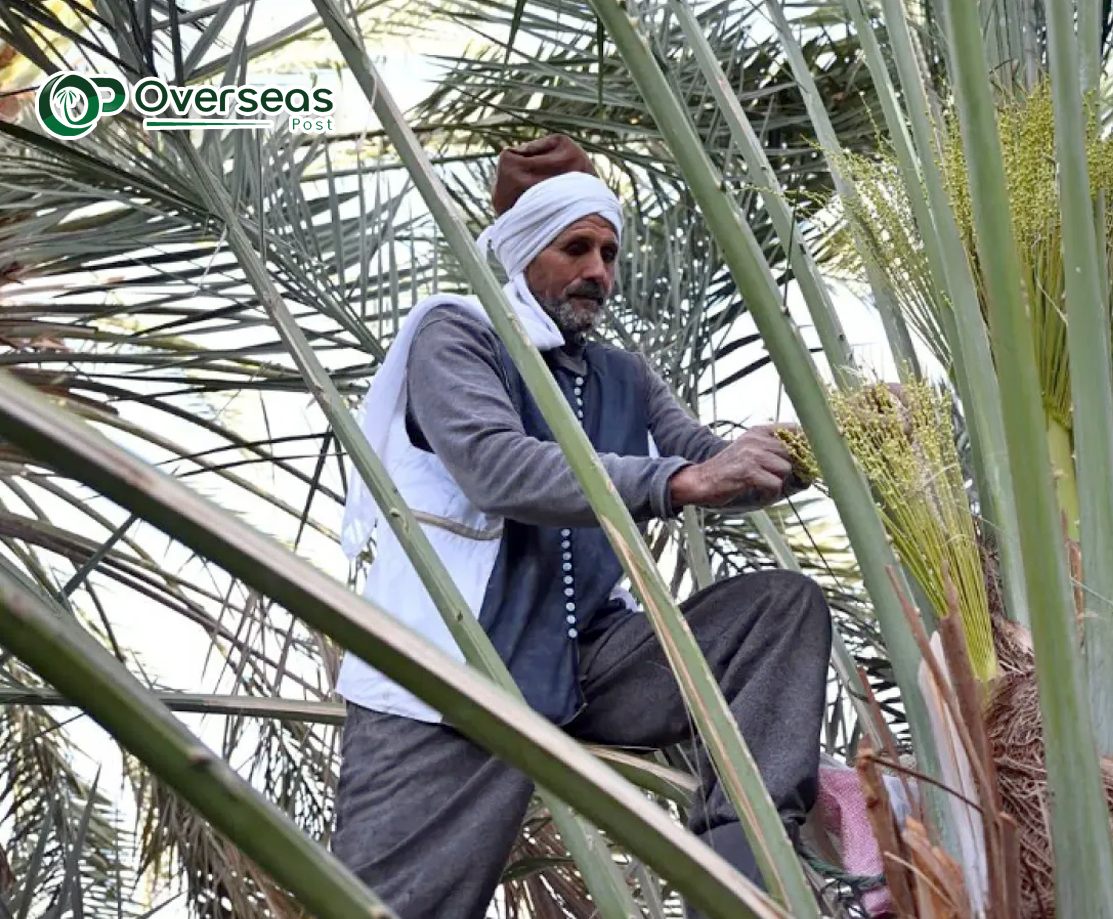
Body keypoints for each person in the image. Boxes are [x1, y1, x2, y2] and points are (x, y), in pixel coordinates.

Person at [330, 134, 833, 918]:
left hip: (592, 670)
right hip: (458, 679)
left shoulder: (621, 374)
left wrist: (816, 450)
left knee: (779, 606)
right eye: (576, 248)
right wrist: (681, 480)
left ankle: (742, 873)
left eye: (609, 252)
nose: (599, 270)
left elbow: (710, 462)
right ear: (524, 251)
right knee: (384, 906)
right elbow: (496, 466)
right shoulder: (457, 336)